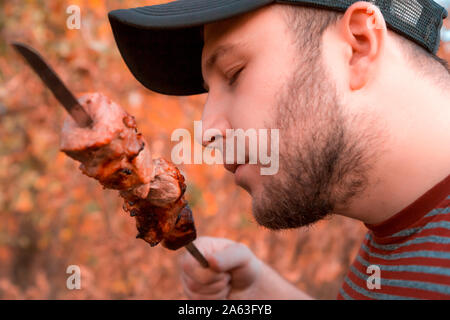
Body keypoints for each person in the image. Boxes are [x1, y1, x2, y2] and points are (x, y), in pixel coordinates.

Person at [108, 0, 450, 299]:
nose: (207, 130)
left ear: (358, 45)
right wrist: (260, 292)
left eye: (234, 73)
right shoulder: (399, 237)